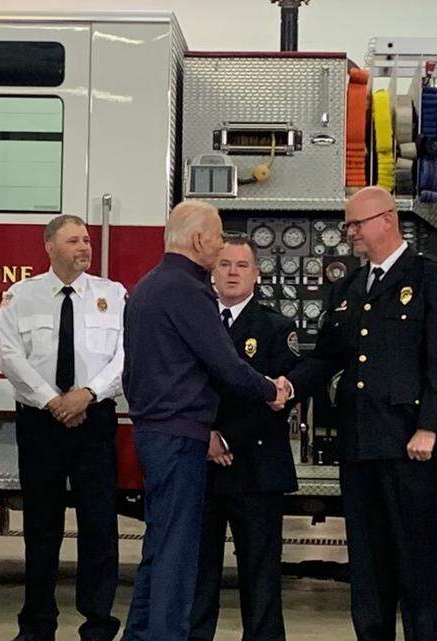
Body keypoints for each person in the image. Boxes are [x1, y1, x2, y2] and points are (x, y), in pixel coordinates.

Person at [284, 186, 437, 641]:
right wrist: (285, 386)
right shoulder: (348, 287)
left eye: (356, 224)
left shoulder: (430, 277)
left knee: (417, 564)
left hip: (412, 447)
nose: (350, 234)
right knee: (367, 565)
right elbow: (327, 357)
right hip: (360, 444)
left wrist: (429, 427)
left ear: (386, 219)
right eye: (348, 225)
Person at [121, 200, 289, 641]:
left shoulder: (148, 286)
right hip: (179, 440)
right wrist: (272, 391)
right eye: (216, 236)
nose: (219, 245)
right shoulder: (188, 290)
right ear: (198, 240)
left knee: (159, 551)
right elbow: (226, 365)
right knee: (178, 559)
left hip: (155, 434)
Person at [0, 214, 126, 641]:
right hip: (41, 422)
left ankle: (98, 622)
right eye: (73, 241)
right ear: (49, 246)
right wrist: (53, 401)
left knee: (100, 524)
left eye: (87, 240)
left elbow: (125, 357)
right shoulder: (22, 295)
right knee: (41, 526)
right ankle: (37, 623)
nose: (84, 248)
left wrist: (86, 394)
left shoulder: (113, 295)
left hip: (94, 419)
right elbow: (10, 357)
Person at [189, 237, 299, 641]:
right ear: (212, 272)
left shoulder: (276, 328)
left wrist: (226, 438)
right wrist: (205, 436)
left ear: (257, 274)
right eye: (224, 265)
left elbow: (276, 401)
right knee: (200, 572)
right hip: (201, 465)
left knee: (261, 573)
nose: (232, 272)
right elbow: (184, 387)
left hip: (256, 469)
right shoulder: (195, 321)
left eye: (241, 265)